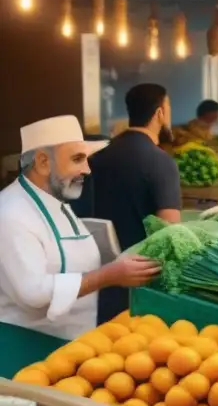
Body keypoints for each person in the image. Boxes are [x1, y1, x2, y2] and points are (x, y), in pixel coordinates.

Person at [0, 116, 161, 338]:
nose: (87, 170)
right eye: (77, 159)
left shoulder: (56, 200)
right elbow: (33, 293)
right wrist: (108, 275)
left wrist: (120, 260)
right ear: (43, 162)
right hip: (27, 343)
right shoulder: (10, 213)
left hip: (68, 339)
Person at [88, 83, 182, 322]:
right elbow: (168, 231)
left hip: (102, 280)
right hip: (142, 282)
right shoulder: (160, 161)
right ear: (160, 113)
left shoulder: (98, 157)